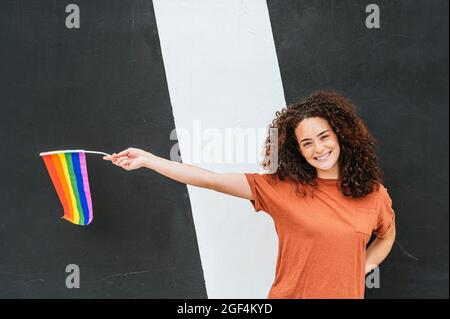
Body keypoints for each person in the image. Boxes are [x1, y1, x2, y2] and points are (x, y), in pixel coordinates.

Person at [103, 90, 396, 299]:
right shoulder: (281, 189)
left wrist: (365, 265)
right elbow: (210, 180)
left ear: (340, 136)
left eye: (323, 137)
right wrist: (149, 160)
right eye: (307, 143)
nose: (318, 149)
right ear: (298, 151)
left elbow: (386, 235)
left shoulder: (373, 195)